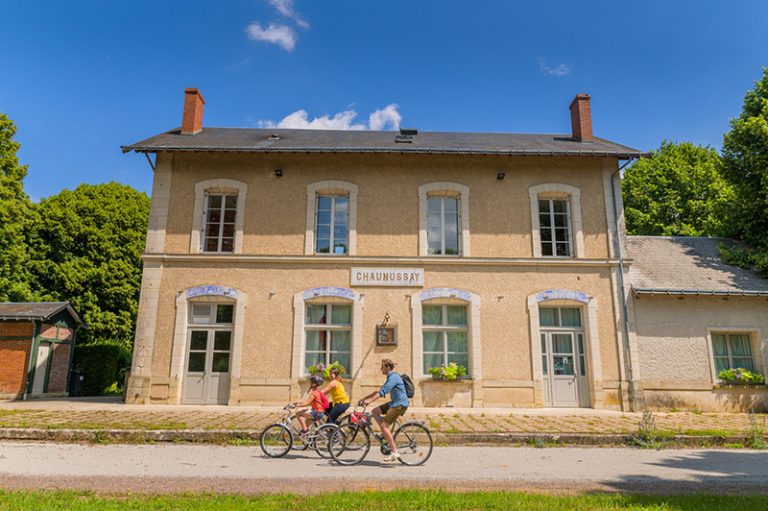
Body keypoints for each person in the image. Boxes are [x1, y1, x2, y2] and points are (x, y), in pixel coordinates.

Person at [359, 358, 409, 462]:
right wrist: (364, 399)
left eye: (382, 367)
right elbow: (378, 391)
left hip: (399, 404)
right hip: (394, 402)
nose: (381, 369)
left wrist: (368, 402)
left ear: (387, 367)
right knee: (375, 411)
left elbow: (383, 392)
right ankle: (385, 434)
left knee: (384, 426)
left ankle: (394, 452)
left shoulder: (394, 377)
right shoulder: (390, 377)